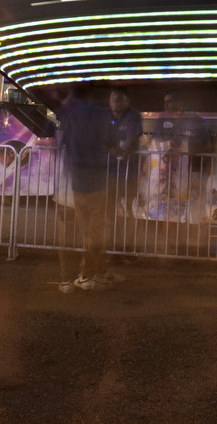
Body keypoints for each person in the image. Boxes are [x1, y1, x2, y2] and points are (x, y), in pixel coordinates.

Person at [55, 86, 119, 293]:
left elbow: (61, 143)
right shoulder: (104, 116)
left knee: (78, 231)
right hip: (98, 181)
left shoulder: (71, 114)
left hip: (76, 182)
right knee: (96, 230)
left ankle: (74, 277)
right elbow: (113, 144)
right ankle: (89, 274)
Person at [109, 87, 144, 216]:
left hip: (129, 167)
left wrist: (121, 150)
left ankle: (128, 226)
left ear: (127, 101)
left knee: (129, 199)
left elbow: (132, 137)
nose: (114, 103)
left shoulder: (133, 115)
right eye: (112, 99)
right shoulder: (108, 115)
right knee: (112, 198)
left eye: (118, 100)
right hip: (111, 168)